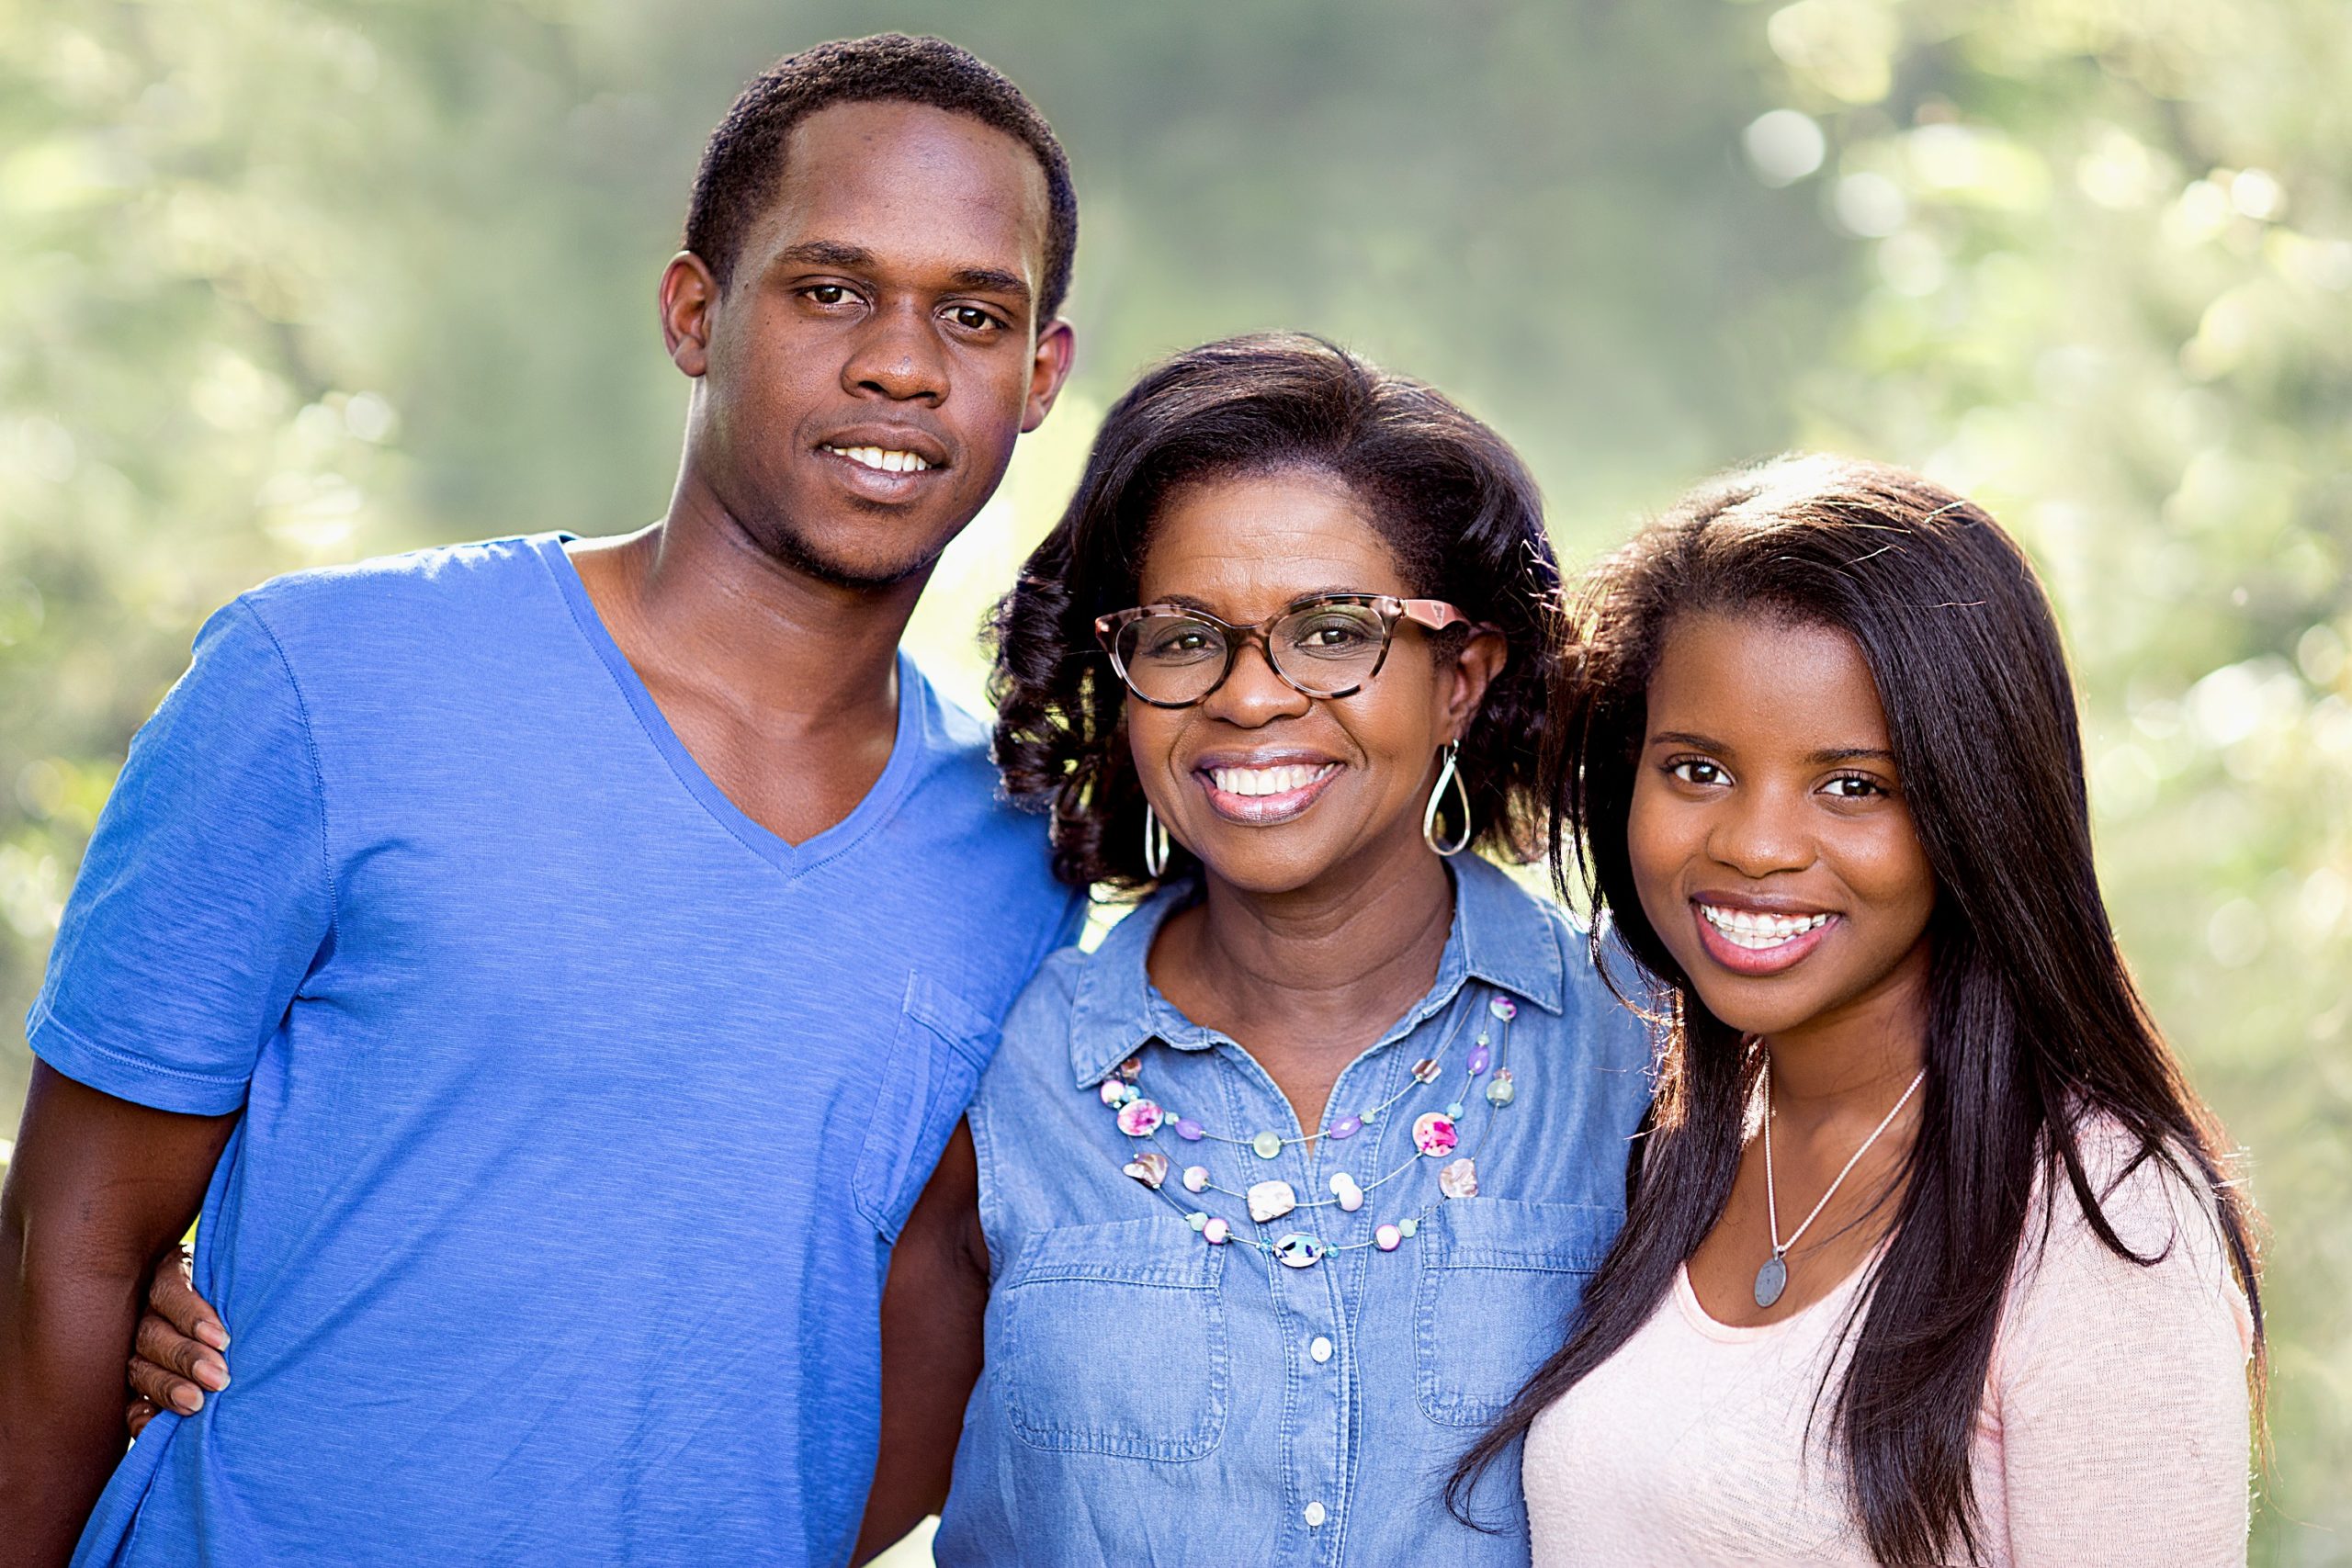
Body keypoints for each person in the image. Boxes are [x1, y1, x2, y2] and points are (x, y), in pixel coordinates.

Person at [0, 34, 1083, 1568]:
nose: (901, 364)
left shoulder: (1020, 853)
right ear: (694, 313)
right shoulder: (327, 682)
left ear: (1039, 375)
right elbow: (68, 1248)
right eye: (829, 288)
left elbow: (920, 1337)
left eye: (971, 315)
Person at [859, 333, 1650, 1562]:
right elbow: (805, 1507)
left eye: (1333, 629)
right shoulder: (1003, 1068)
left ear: (1461, 676)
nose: (1248, 693)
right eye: (1181, 636)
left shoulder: (1646, 1050)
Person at [1458, 456, 2263, 1564]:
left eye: (1853, 786)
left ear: (1975, 808)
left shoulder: (2100, 1221)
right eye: (1695, 770)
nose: (1753, 844)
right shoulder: (1669, 1144)